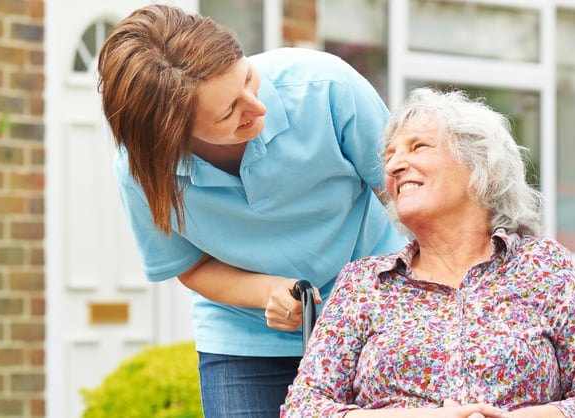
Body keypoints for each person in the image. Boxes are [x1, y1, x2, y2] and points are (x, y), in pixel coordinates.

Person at [96, 4, 406, 418]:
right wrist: (268, 293)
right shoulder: (142, 171)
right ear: (172, 135)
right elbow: (190, 267)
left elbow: (407, 198)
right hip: (245, 340)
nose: (257, 108)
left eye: (247, 78)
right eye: (229, 112)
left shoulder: (327, 86)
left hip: (374, 316)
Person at [281, 87, 575, 418]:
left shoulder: (543, 266)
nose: (393, 166)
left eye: (418, 146)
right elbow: (302, 408)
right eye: (390, 156)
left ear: (478, 165)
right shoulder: (364, 283)